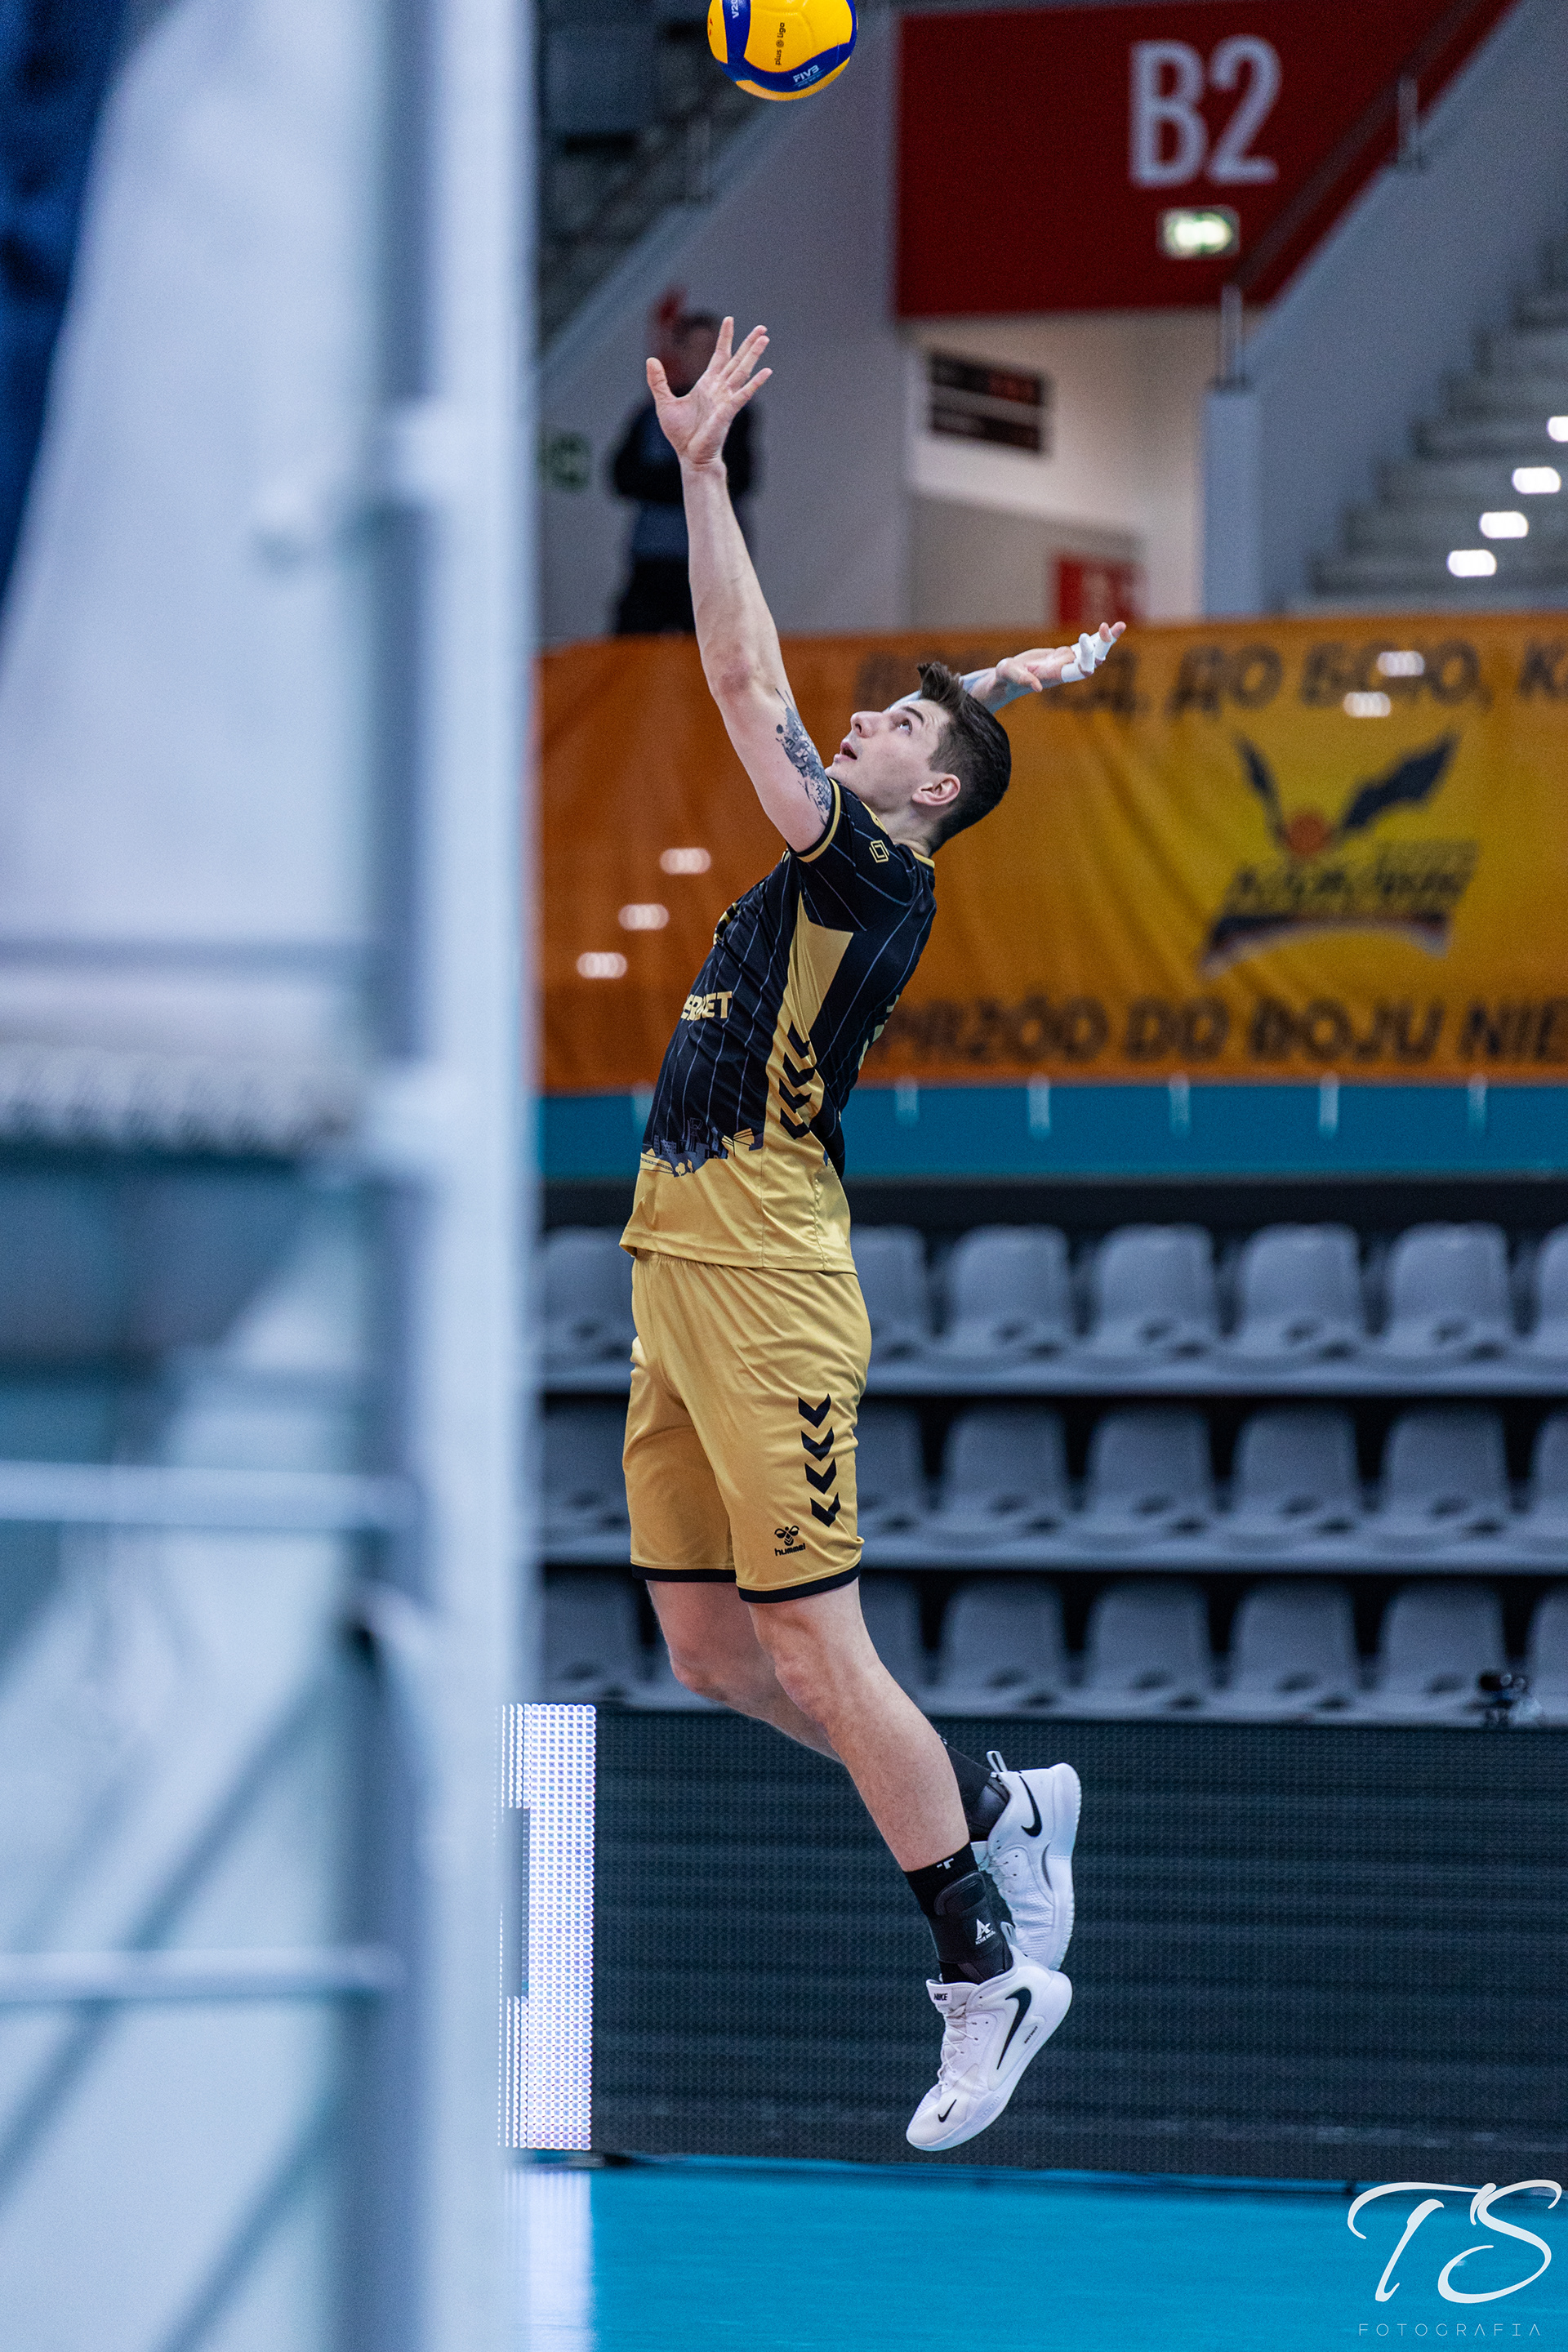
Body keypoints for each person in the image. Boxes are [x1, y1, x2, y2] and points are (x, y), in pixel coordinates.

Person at [618, 316, 1126, 2151]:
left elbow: (740, 671)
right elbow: (928, 727)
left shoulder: (863, 861)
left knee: (823, 1653)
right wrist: (1013, 677)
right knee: (708, 1654)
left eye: (903, 728)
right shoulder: (882, 836)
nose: (870, 722)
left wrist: (700, 473)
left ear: (925, 796)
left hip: (768, 1273)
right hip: (677, 1266)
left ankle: (987, 1967)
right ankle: (993, 1816)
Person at [608, 292, 757, 636]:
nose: (706, 358)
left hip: (714, 562)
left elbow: (737, 478)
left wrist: (669, 478)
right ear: (680, 352)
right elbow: (622, 477)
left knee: (716, 653)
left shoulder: (736, 415)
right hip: (653, 559)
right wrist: (690, 474)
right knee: (630, 653)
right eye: (697, 348)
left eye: (713, 349)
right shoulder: (651, 414)